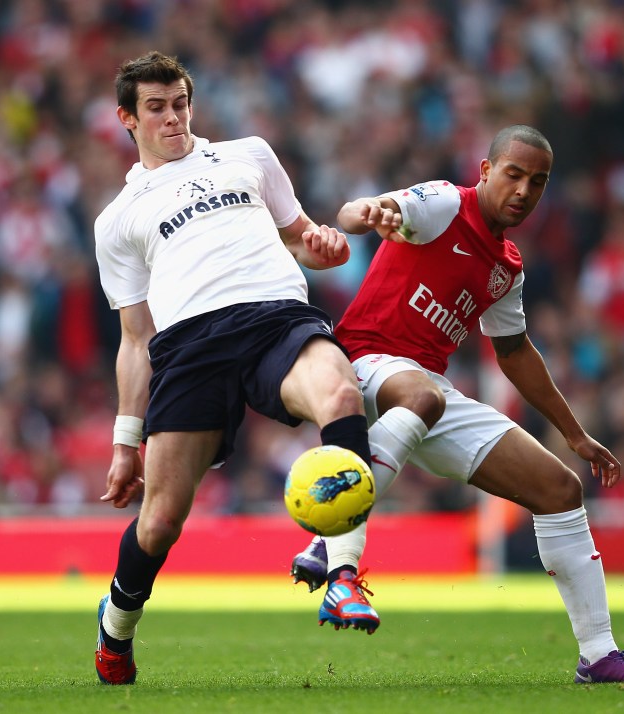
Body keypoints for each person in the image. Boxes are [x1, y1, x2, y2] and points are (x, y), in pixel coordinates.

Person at [290, 124, 624, 684]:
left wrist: (573, 433)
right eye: (514, 175)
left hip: (425, 394)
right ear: (486, 172)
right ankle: (333, 540)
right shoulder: (445, 203)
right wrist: (374, 212)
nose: (523, 190)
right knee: (422, 394)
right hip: (362, 362)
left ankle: (599, 656)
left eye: (537, 182)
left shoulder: (507, 268)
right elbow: (358, 212)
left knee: (559, 490)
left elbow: (515, 353)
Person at [91, 50, 385, 685]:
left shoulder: (249, 154)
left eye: (180, 104)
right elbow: (136, 337)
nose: (172, 118)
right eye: (156, 108)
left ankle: (343, 574)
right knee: (162, 520)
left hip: (276, 318)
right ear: (127, 119)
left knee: (341, 393)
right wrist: (124, 442)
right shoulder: (117, 221)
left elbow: (304, 235)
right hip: (190, 347)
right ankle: (116, 622)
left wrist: (326, 246)